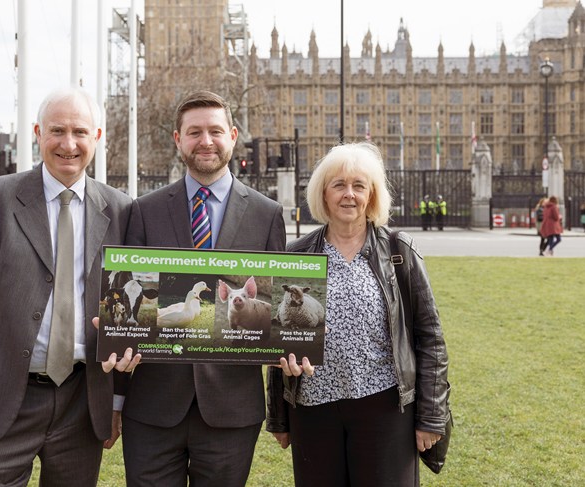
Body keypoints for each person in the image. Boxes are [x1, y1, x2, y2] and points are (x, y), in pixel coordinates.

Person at [0, 87, 140, 486]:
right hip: (2, 395)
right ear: (37, 133)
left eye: (80, 132)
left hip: (83, 401)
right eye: (56, 130)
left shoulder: (121, 210)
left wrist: (115, 399)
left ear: (97, 137)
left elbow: (127, 309)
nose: (68, 144)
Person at [121, 90, 310, 486]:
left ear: (233, 136)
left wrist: (289, 358)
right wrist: (115, 396)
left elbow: (275, 311)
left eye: (215, 131)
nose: (205, 141)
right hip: (153, 408)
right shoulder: (144, 210)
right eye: (194, 132)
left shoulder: (266, 213)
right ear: (178, 139)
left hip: (231, 409)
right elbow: (134, 301)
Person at [266, 142, 450, 486]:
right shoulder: (298, 254)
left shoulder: (399, 251)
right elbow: (281, 335)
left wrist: (431, 416)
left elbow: (430, 338)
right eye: (338, 185)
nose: (348, 195)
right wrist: (279, 418)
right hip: (313, 408)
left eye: (358, 186)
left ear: (372, 195)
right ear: (324, 194)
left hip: (384, 406)